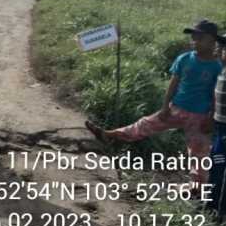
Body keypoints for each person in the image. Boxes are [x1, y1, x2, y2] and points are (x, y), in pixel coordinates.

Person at [86, 20, 225, 186]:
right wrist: (165, 106)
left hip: (199, 116)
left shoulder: (217, 67)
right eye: (193, 38)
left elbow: (216, 94)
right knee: (145, 123)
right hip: (176, 108)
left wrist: (210, 118)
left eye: (199, 38)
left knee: (198, 152)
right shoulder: (184, 59)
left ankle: (198, 187)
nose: (194, 42)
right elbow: (173, 84)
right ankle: (110, 135)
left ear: (211, 41)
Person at [207, 38, 226, 218]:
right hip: (220, 127)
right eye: (221, 46)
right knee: (216, 165)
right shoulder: (222, 71)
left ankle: (221, 213)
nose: (220, 50)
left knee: (222, 169)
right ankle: (211, 206)